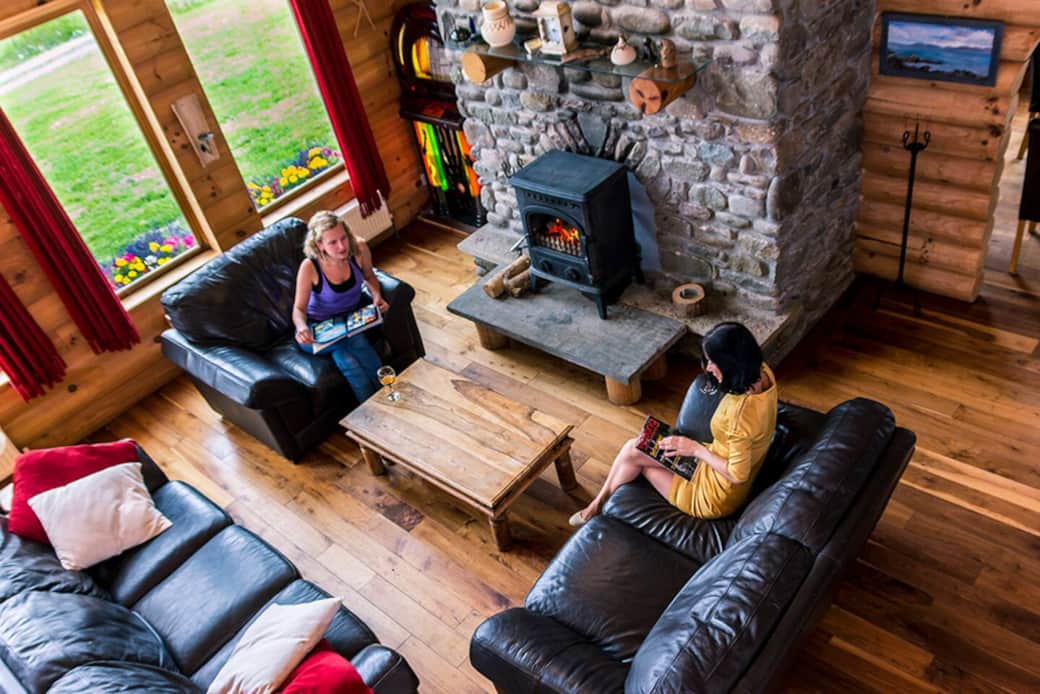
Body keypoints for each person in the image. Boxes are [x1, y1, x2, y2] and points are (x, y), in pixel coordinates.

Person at [570, 322, 778, 525]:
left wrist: (695, 449)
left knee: (635, 458)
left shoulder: (741, 415)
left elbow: (737, 475)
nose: (708, 368)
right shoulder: (762, 372)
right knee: (634, 447)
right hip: (715, 458)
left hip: (713, 494)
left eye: (713, 362)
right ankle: (597, 505)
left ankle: (596, 508)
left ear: (731, 363)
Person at [292, 210, 390, 402]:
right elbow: (298, 309)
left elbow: (369, 276)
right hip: (316, 328)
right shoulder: (310, 267)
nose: (342, 246)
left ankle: (373, 408)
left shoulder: (359, 248)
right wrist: (301, 327)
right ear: (319, 244)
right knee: (357, 342)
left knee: (345, 359)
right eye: (333, 242)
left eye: (343, 238)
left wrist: (377, 295)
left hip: (348, 321)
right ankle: (386, 396)